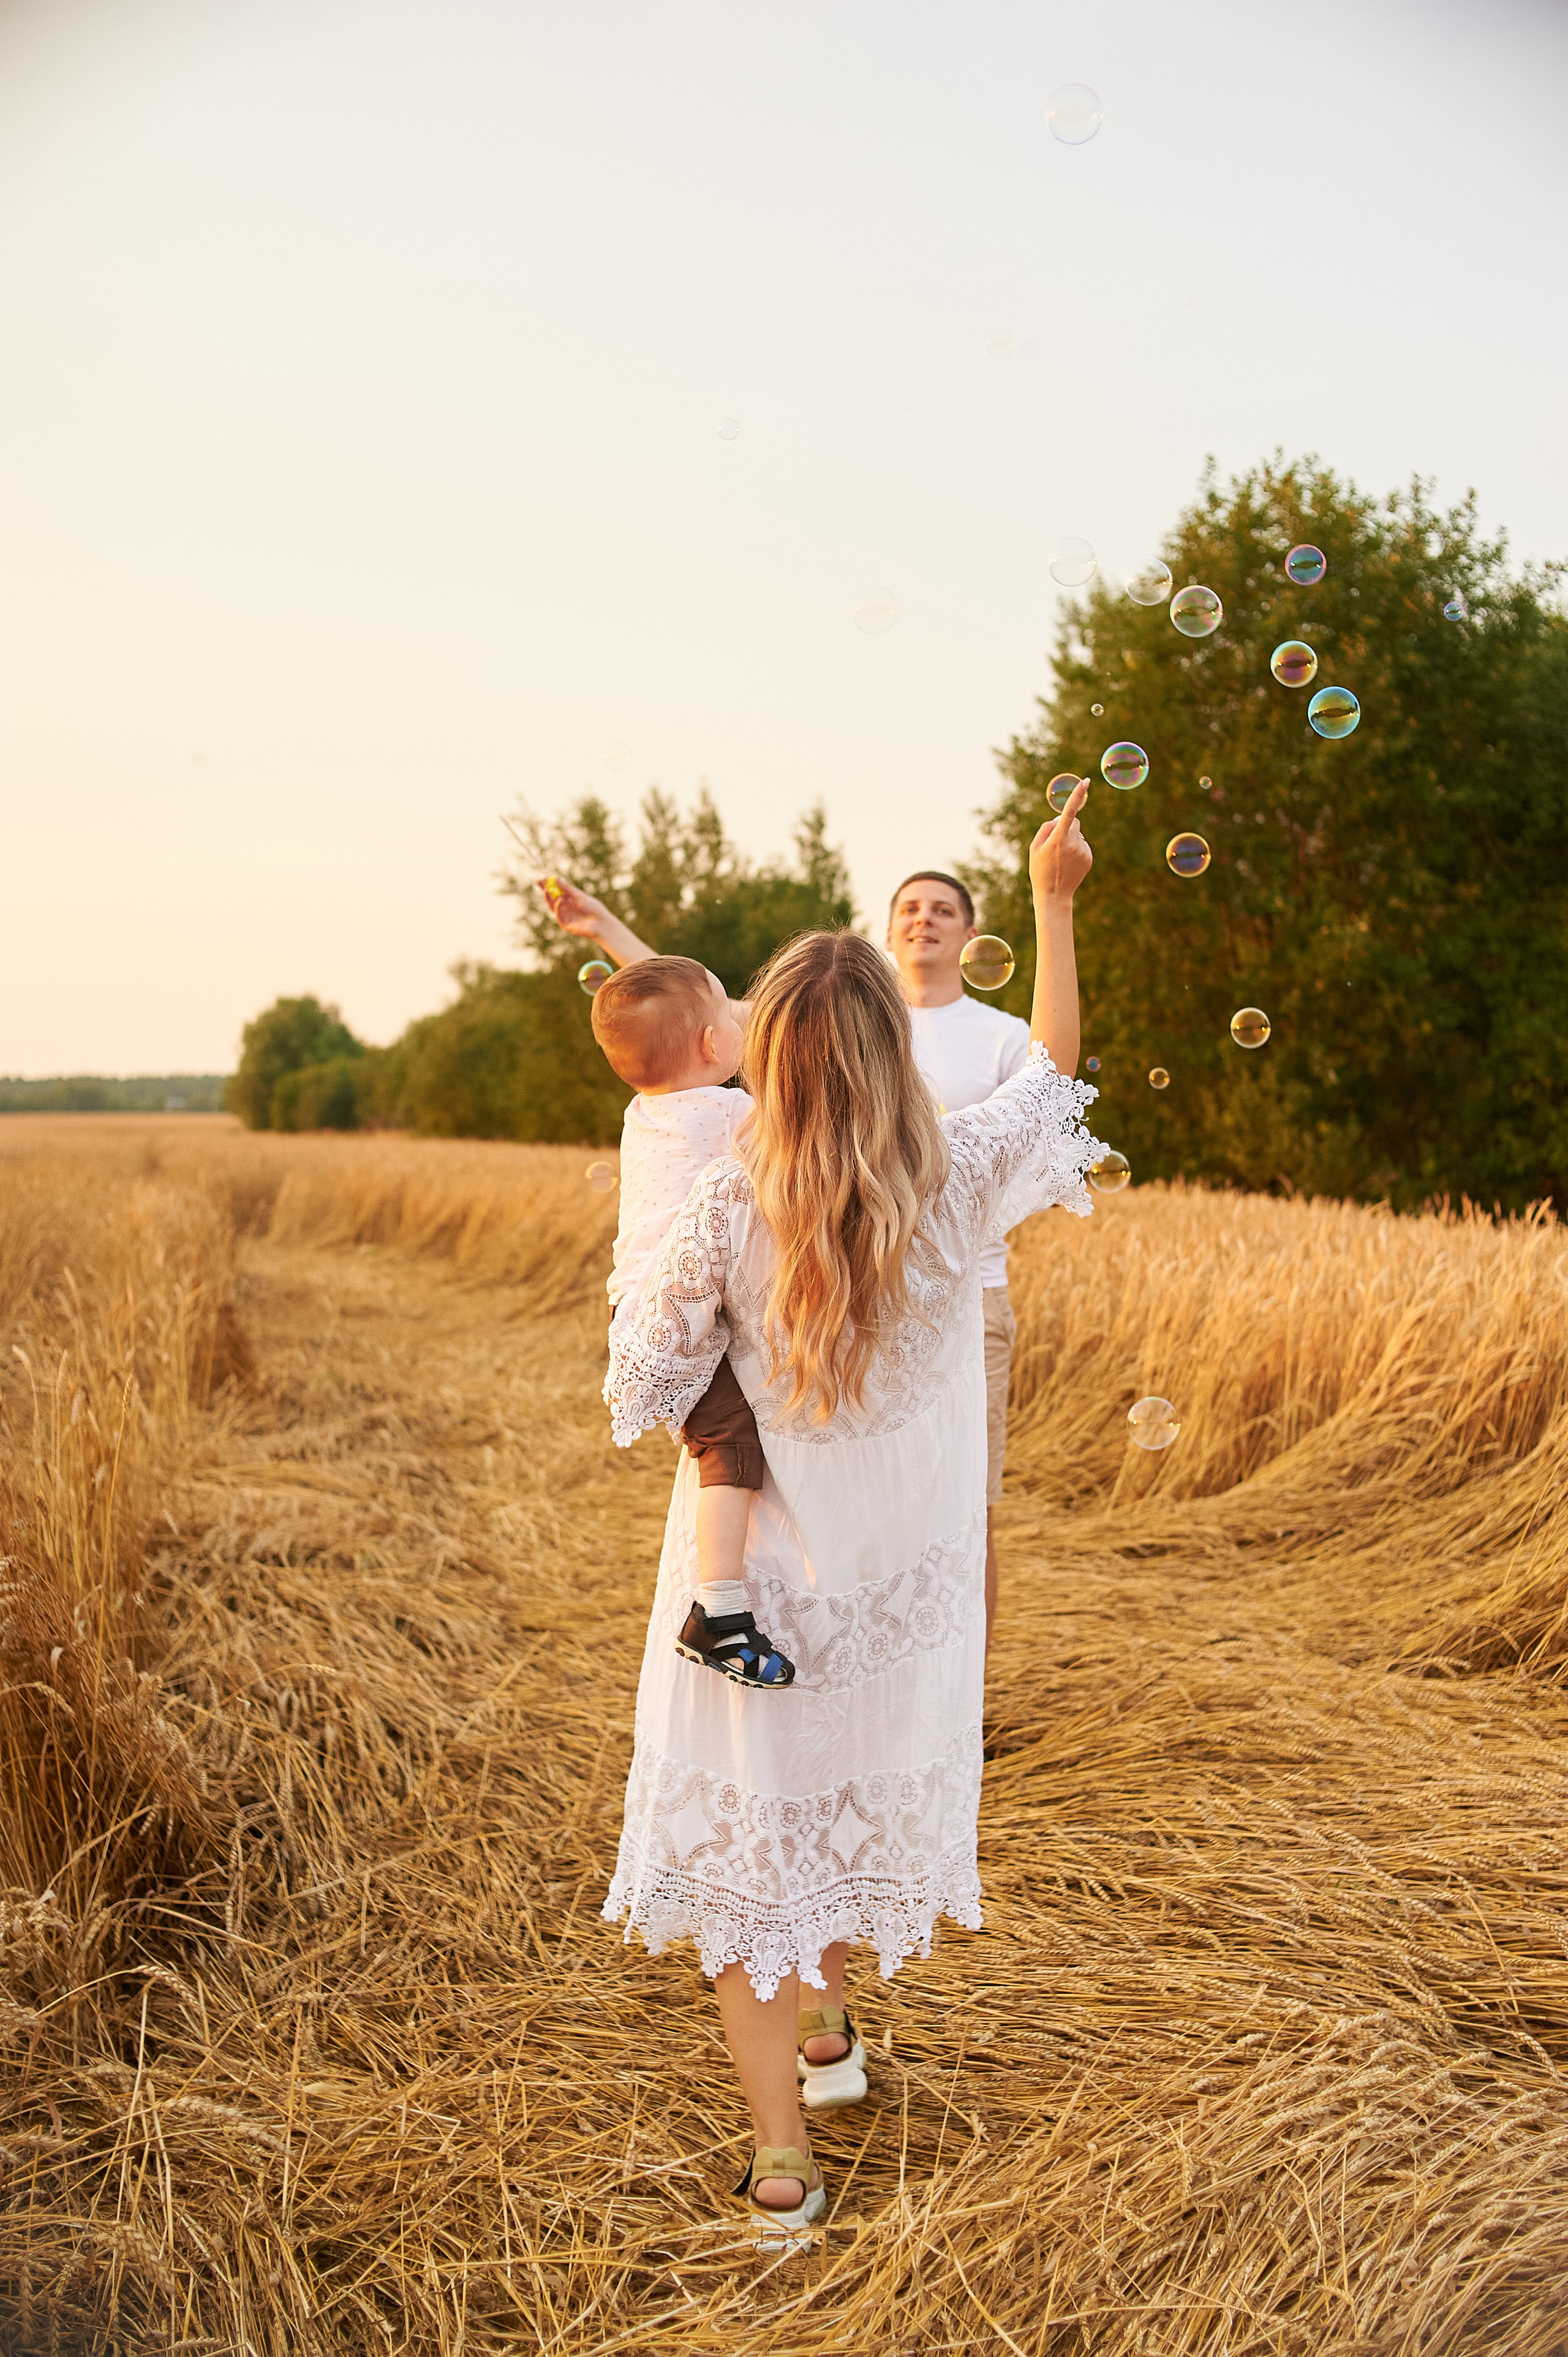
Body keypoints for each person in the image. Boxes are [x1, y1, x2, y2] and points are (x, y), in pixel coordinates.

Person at [598, 789, 1099, 2244]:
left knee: (759, 1832)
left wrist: (663, 1261)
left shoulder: (720, 1202)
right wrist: (1051, 901)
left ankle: (780, 2163)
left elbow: (645, 1384)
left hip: (752, 1586)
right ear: (891, 1052)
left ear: (763, 1063)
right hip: (895, 1601)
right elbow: (1051, 1073)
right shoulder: (952, 1186)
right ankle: (829, 2032)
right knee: (821, 1817)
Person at [588, 953, 796, 1690]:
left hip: (641, 1305)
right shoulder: (727, 1112)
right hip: (671, 1315)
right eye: (731, 1014)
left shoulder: (646, 1111)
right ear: (713, 1047)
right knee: (730, 1446)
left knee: (716, 1439)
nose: (743, 1019)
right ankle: (720, 1612)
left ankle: (722, 1605)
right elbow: (795, 1142)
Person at [886, 872, 1031, 1646]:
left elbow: (1035, 1151)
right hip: (867, 1298)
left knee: (968, 1509)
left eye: (943, 910)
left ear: (972, 937)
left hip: (972, 1301)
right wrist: (604, 925)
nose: (924, 919)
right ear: (888, 931)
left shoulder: (1003, 1034)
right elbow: (707, 1019)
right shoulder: (861, 1027)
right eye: (909, 908)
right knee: (877, 1504)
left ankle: (962, 1707)